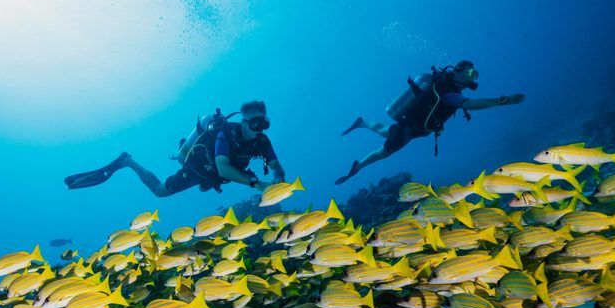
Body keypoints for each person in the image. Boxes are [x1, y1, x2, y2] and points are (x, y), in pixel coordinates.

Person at [334, 60, 526, 184]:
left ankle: (363, 123)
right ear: (458, 72)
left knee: (386, 131)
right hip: (410, 128)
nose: (471, 79)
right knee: (384, 152)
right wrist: (503, 100)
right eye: (469, 73)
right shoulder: (449, 92)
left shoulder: (447, 89)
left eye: (474, 75)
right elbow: (473, 104)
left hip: (413, 126)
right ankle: (358, 167)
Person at [64, 100, 286, 196]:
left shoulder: (262, 141)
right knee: (160, 191)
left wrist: (279, 175)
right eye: (255, 124)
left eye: (264, 124)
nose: (260, 129)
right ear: (244, 121)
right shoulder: (225, 133)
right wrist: (258, 184)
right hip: (200, 167)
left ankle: (196, 170)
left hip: (213, 177)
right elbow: (224, 168)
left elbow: (275, 164)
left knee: (206, 186)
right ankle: (127, 161)